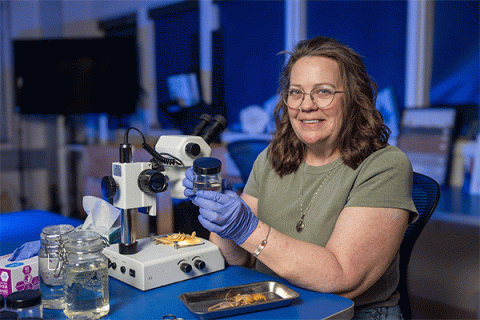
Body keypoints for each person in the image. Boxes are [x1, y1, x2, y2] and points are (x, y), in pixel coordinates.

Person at [183, 36, 418, 319]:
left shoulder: (385, 166)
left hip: (347, 313)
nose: (306, 106)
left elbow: (343, 279)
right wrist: (221, 218)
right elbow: (237, 257)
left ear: (354, 100)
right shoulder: (272, 157)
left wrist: (248, 229)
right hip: (271, 303)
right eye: (296, 92)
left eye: (323, 91)